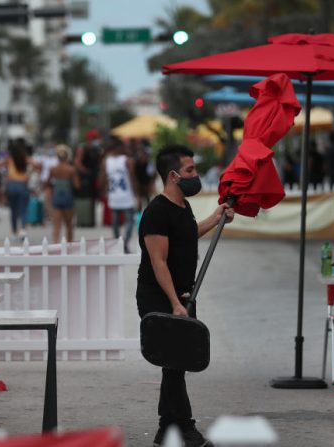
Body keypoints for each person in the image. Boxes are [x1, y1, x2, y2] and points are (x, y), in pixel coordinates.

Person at [136, 144, 234, 447]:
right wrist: (176, 304)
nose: (196, 175)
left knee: (174, 363)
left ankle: (168, 429)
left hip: (182, 296)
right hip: (159, 297)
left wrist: (216, 218)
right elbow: (158, 262)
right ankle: (185, 429)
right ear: (173, 175)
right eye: (190, 170)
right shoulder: (156, 212)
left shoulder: (182, 207)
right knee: (175, 361)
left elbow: (188, 235)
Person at [100, 137, 137, 253]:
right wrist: (136, 193)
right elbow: (132, 178)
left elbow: (103, 178)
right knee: (129, 221)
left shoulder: (106, 161)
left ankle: (118, 243)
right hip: (126, 194)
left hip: (114, 193)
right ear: (120, 147)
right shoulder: (127, 161)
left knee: (115, 222)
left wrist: (103, 191)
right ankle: (125, 242)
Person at [0, 145, 35, 238]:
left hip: (12, 185)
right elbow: (36, 165)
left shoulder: (9, 159)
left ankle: (14, 231)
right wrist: (28, 175)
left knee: (13, 210)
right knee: (23, 209)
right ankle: (23, 230)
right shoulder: (24, 158)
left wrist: (5, 175)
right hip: (22, 184)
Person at [47, 144, 80, 243]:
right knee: (69, 224)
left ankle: (55, 243)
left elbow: (48, 182)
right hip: (67, 195)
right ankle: (69, 245)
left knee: (56, 224)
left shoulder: (53, 169)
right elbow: (77, 185)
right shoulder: (71, 169)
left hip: (57, 195)